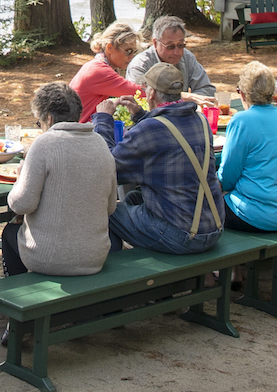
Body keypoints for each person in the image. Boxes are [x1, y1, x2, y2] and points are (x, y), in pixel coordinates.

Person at [91, 62, 224, 254]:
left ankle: (115, 275)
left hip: (182, 236)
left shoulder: (150, 130)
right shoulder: (200, 120)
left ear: (151, 93)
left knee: (108, 211)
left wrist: (103, 119)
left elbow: (108, 168)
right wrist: (141, 115)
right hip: (212, 228)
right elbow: (167, 136)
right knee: (134, 198)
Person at [0, 82, 117, 276]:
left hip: (50, 257)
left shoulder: (44, 143)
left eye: (39, 122)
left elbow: (20, 205)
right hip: (95, 255)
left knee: (9, 233)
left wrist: (20, 180)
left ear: (48, 117)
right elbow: (110, 207)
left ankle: (17, 298)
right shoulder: (100, 143)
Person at [217, 62, 277, 232]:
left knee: (206, 203)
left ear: (242, 94)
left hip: (258, 215)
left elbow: (228, 176)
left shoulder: (241, 121)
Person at [126, 15, 217, 102]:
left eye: (181, 45)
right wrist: (186, 99)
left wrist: (190, 104)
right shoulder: (140, 65)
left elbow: (206, 89)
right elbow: (139, 96)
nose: (177, 52)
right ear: (155, 43)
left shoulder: (187, 57)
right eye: (170, 46)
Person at [69, 21, 145, 122]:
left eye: (134, 52)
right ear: (110, 48)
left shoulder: (97, 65)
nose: (131, 57)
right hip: (80, 130)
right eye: (128, 51)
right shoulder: (99, 71)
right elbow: (138, 92)